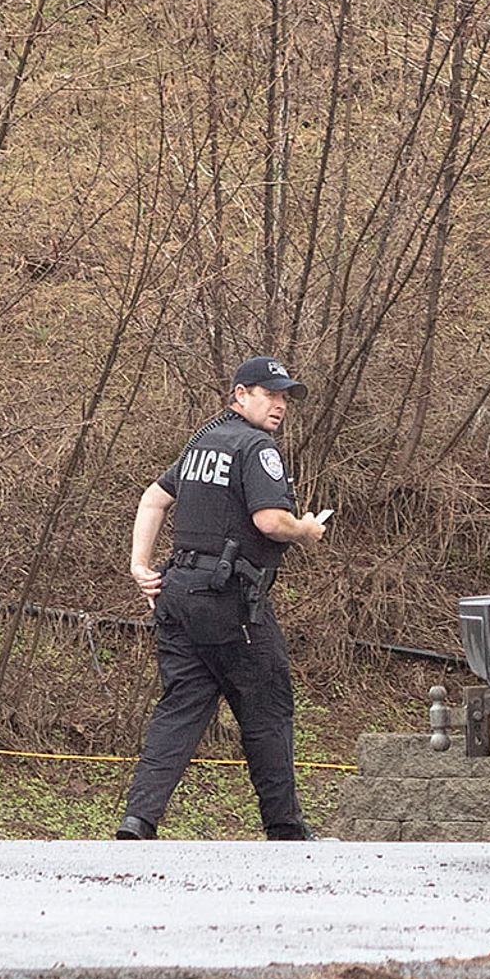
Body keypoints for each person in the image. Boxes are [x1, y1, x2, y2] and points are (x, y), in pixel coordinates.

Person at [118, 356, 329, 841]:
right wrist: (307, 530)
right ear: (240, 396)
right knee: (267, 708)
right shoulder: (257, 448)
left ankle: (138, 820)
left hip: (178, 595)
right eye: (269, 394)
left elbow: (153, 497)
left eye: (284, 397)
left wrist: (139, 565)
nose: (279, 405)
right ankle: (285, 828)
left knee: (181, 707)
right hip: (232, 604)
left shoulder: (201, 444)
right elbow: (271, 522)